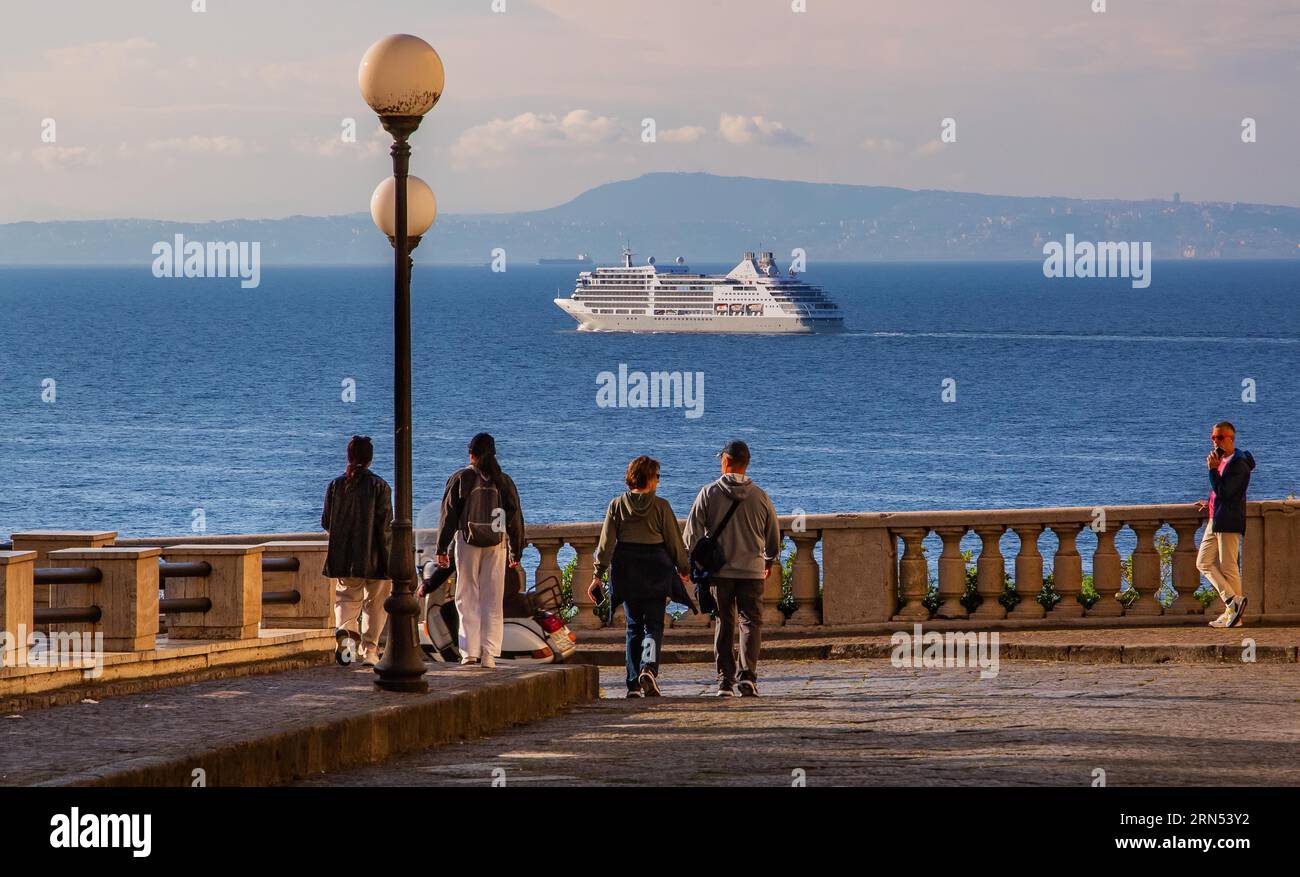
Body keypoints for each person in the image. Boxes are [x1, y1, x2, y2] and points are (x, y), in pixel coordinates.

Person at [684, 440, 781, 697]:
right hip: (751, 572)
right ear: (745, 464)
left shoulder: (708, 493)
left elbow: (690, 536)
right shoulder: (761, 496)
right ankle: (747, 677)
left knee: (724, 623)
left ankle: (725, 681)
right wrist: (768, 561)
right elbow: (773, 538)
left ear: (725, 461)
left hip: (719, 574)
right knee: (750, 623)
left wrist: (689, 565)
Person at [589, 456, 691, 698]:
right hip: (656, 567)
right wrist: (683, 568)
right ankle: (649, 668)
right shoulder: (661, 506)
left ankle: (633, 683)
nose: (658, 481)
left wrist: (597, 575)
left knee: (633, 625)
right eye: (657, 476)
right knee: (653, 625)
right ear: (649, 478)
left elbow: (605, 545)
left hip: (627, 567)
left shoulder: (617, 505)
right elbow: (674, 541)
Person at [434, 433, 524, 669]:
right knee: (492, 599)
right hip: (497, 544)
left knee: (466, 597)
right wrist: (516, 551)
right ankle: (489, 654)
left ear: (471, 453)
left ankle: (468, 652)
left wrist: (441, 547)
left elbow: (448, 516)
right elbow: (515, 518)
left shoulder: (461, 478)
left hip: (467, 542)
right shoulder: (503, 481)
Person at [321, 435, 393, 667]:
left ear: (348, 457)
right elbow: (385, 527)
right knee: (375, 603)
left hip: (344, 556)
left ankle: (345, 635)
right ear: (370, 459)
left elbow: (326, 522)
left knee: (346, 599)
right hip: (374, 557)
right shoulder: (380, 486)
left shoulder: (336, 485)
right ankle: (370, 651)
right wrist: (388, 561)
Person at [1193, 421, 1256, 628]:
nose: (1215, 441)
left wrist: (1212, 471)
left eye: (1219, 437)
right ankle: (1233, 603)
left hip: (1228, 520)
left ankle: (1234, 613)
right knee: (1203, 562)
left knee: (1229, 568)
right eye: (1213, 437)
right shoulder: (1224, 460)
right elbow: (1220, 492)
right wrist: (1209, 501)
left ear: (1231, 439)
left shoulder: (1239, 465)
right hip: (1216, 517)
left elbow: (1227, 493)